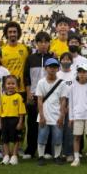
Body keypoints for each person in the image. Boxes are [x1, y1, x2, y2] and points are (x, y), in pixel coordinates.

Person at [0, 21, 30, 158]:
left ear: (18, 33)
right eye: (10, 32)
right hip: (6, 91)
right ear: (6, 34)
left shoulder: (24, 49)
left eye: (14, 32)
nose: (12, 34)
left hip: (21, 90)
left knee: (21, 120)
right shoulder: (2, 50)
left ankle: (19, 146)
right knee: (4, 119)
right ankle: (2, 147)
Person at [23, 31, 54, 159]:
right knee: (32, 124)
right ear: (36, 43)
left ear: (49, 43)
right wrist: (28, 93)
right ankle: (30, 150)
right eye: (40, 42)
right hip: (34, 95)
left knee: (47, 123)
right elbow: (26, 77)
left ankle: (47, 150)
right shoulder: (30, 58)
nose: (43, 44)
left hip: (48, 96)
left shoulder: (52, 59)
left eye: (46, 42)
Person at [34, 58, 67, 166]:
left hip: (57, 114)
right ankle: (41, 156)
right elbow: (39, 100)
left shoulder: (62, 83)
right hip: (44, 114)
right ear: (46, 68)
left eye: (55, 67)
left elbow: (63, 100)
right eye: (50, 67)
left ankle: (57, 156)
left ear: (58, 69)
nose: (52, 69)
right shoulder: (41, 82)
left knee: (58, 137)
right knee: (42, 136)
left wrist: (62, 116)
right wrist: (41, 116)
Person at [67, 63, 87, 167]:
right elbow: (71, 104)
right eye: (80, 72)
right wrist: (71, 118)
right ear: (77, 74)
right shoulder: (72, 87)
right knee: (77, 137)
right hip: (77, 116)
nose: (82, 74)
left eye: (84, 72)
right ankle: (76, 158)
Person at [0, 76, 26, 166]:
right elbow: (0, 111)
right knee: (4, 139)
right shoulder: (3, 97)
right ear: (5, 85)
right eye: (8, 84)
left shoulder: (18, 97)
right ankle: (6, 155)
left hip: (15, 120)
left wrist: (20, 122)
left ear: (16, 85)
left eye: (13, 84)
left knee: (16, 139)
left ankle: (14, 156)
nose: (11, 86)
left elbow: (21, 112)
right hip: (4, 120)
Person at [57, 52, 76, 161]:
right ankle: (59, 152)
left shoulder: (74, 74)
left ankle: (69, 153)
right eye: (63, 59)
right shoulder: (57, 74)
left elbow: (76, 90)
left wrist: (69, 106)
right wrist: (61, 106)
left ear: (71, 61)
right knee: (59, 128)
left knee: (69, 129)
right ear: (60, 61)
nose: (66, 61)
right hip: (58, 102)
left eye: (68, 59)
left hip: (71, 103)